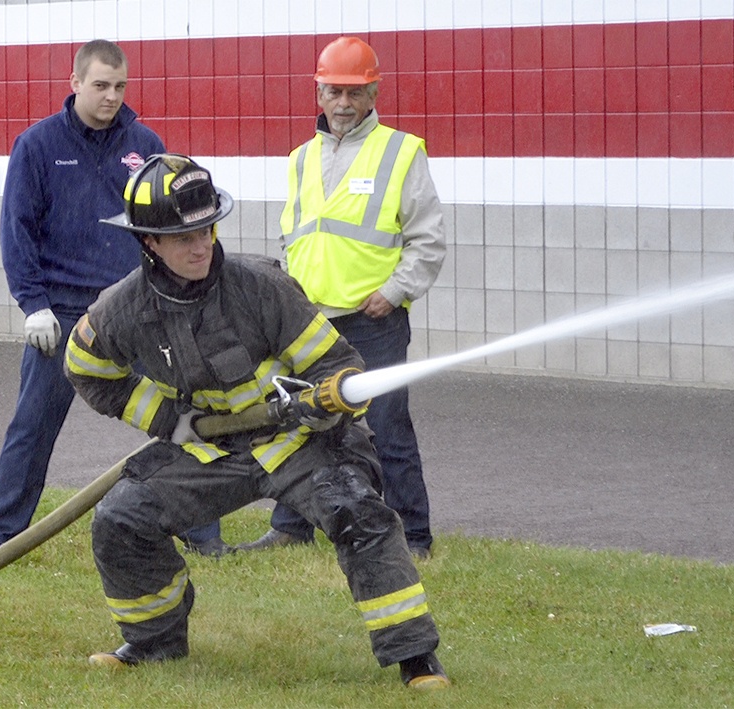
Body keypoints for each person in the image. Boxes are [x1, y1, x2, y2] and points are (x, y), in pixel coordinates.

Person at [65, 154, 449, 689]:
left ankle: (416, 658)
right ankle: (153, 643)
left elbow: (339, 365)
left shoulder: (260, 286)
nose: (201, 246)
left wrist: (324, 400)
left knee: (357, 512)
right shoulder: (122, 309)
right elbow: (85, 367)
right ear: (150, 243)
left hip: (297, 441)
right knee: (121, 519)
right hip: (212, 452)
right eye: (183, 239)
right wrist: (170, 422)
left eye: (206, 229)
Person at [0, 39, 228, 555]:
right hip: (65, 313)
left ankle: (203, 536)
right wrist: (33, 305)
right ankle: (0, 541)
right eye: (100, 86)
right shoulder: (37, 146)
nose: (111, 96)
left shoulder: (144, 144)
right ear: (74, 84)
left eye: (119, 86)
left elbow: (167, 225)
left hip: (137, 306)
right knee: (32, 427)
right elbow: (16, 231)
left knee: (183, 414)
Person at [242, 37, 447, 559]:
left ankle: (413, 536)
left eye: (355, 93)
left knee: (384, 428)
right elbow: (293, 236)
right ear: (319, 91)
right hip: (309, 323)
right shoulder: (300, 158)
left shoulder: (402, 151)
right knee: (302, 424)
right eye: (334, 91)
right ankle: (292, 525)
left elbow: (428, 238)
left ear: (374, 92)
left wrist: (395, 291)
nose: (343, 103)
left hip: (371, 318)